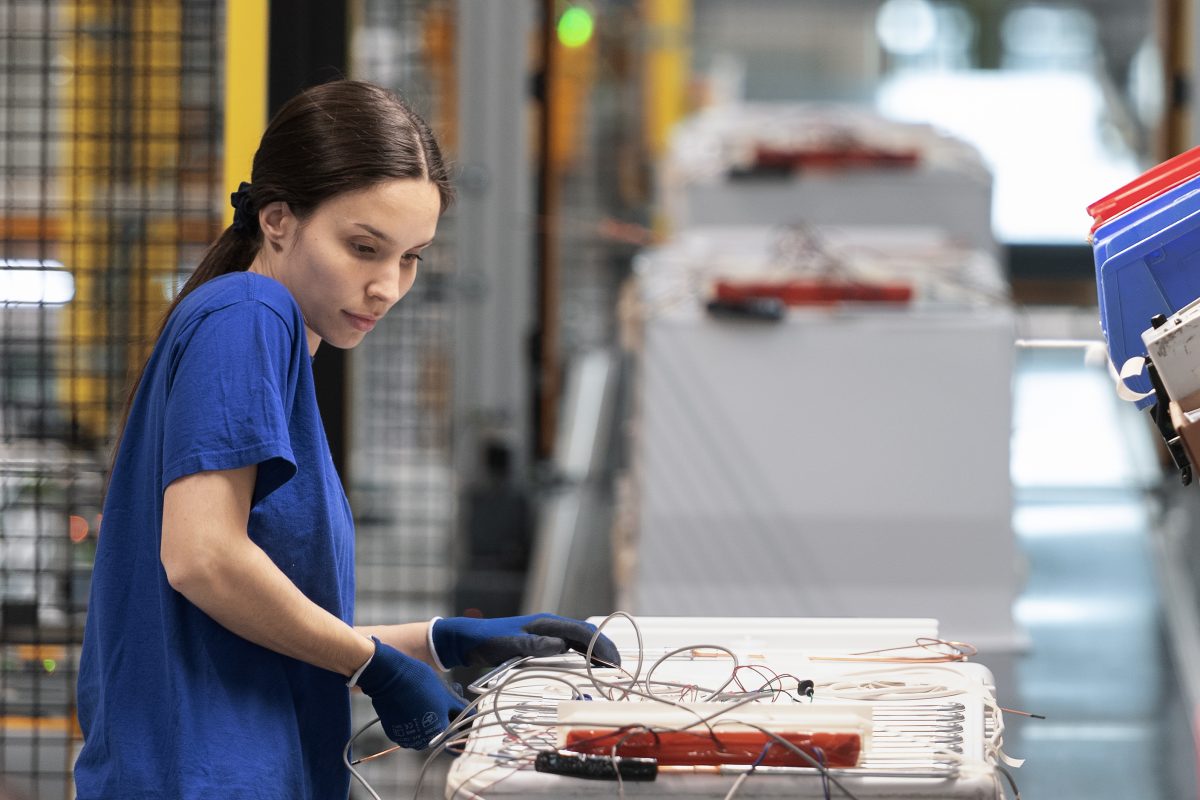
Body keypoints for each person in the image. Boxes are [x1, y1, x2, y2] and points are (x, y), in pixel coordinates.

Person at [73, 80, 619, 800]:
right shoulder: (249, 313)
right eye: (364, 248)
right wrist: (373, 665)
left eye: (410, 257)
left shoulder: (259, 333)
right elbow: (202, 559)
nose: (387, 286)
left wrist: (435, 642)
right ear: (278, 219)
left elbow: (247, 631)